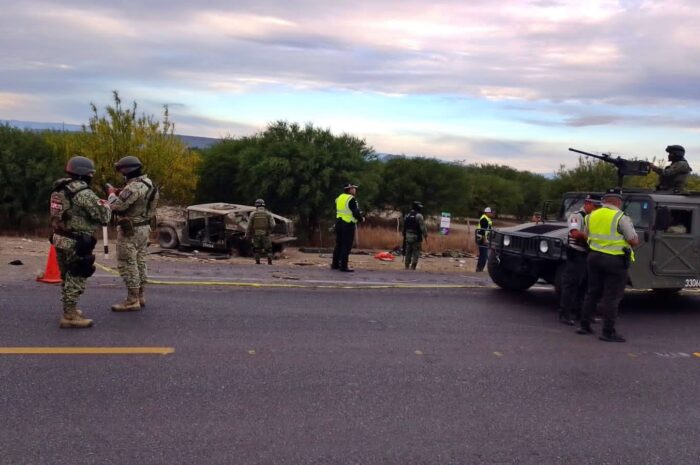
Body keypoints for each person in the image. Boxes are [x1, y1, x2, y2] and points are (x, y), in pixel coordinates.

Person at [50, 156, 111, 328]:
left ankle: (70, 309)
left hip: (59, 237)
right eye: (91, 173)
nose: (92, 176)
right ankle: (69, 316)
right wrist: (107, 203)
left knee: (66, 275)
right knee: (77, 275)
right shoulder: (83, 193)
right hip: (76, 241)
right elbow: (104, 215)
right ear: (84, 174)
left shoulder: (59, 188)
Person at [577, 188, 639, 342]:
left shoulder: (591, 215)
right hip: (614, 260)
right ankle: (608, 332)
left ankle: (584, 326)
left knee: (592, 292)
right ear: (618, 201)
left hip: (594, 257)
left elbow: (585, 235)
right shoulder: (621, 217)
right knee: (612, 297)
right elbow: (632, 240)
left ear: (605, 201)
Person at [107, 155, 159, 312]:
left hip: (131, 230)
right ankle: (140, 295)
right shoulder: (149, 183)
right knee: (140, 261)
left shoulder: (133, 187)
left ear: (127, 171)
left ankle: (132, 300)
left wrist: (111, 193)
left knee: (127, 263)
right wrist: (120, 192)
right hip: (144, 229)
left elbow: (116, 206)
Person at [558, 194, 602, 325]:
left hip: (588, 254)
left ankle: (581, 314)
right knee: (571, 285)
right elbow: (575, 233)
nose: (597, 210)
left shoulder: (593, 217)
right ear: (587, 203)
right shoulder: (576, 216)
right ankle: (565, 314)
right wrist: (591, 236)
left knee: (586, 286)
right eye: (595, 206)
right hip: (576, 253)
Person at [331, 183, 365, 272]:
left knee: (338, 244)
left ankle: (335, 264)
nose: (355, 190)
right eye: (353, 188)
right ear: (349, 190)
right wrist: (361, 219)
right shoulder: (351, 199)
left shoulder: (339, 198)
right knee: (346, 246)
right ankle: (343, 266)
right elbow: (355, 213)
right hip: (348, 224)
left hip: (338, 223)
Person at [246, 198, 276, 265]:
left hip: (256, 234)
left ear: (256, 205)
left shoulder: (252, 214)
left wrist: (247, 234)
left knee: (256, 249)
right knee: (268, 249)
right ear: (263, 205)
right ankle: (270, 262)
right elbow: (273, 224)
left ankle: (257, 262)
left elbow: (249, 226)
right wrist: (269, 231)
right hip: (266, 234)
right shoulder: (268, 214)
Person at [403, 201, 428, 270]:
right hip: (416, 237)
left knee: (408, 251)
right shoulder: (419, 216)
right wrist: (425, 235)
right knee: (416, 252)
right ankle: (413, 267)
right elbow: (423, 227)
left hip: (408, 237)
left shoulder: (407, 215)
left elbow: (404, 227)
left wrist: (404, 235)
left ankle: (406, 266)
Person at [475, 207, 493, 272]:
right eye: (491, 212)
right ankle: (479, 269)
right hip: (482, 239)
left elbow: (489, 229)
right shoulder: (484, 219)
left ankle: (480, 269)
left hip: (484, 238)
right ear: (487, 212)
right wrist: (485, 239)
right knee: (483, 255)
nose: (492, 214)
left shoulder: (487, 219)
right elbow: (483, 231)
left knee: (483, 255)